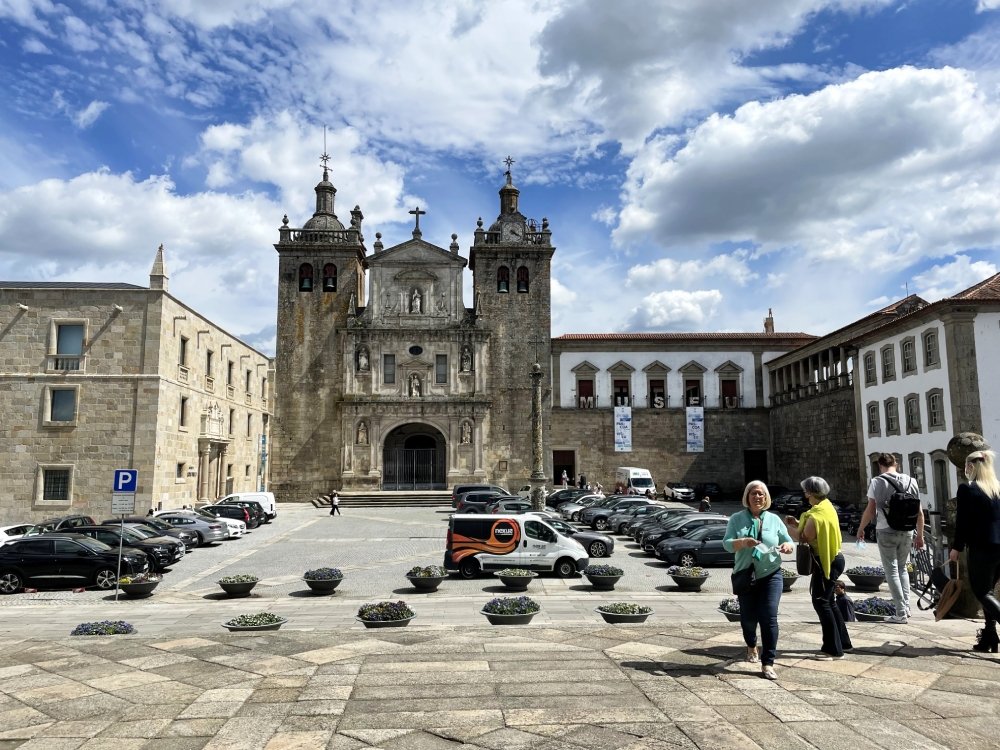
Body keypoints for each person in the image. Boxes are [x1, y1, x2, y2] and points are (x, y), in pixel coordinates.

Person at [723, 481, 795, 680]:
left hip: (771, 574)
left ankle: (768, 663)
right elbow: (727, 545)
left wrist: (788, 546)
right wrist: (743, 542)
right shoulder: (737, 519)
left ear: (766, 498)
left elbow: (787, 540)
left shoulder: (773, 519)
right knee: (748, 619)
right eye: (754, 493)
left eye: (761, 494)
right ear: (747, 497)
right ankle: (751, 645)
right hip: (746, 575)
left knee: (769, 616)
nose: (757, 497)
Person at [785, 476, 853, 659]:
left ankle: (833, 649)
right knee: (829, 601)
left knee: (821, 602)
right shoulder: (827, 507)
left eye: (805, 491)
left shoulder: (815, 516)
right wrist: (797, 524)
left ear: (810, 492)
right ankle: (844, 643)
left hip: (826, 562)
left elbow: (804, 538)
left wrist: (786, 528)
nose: (804, 494)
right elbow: (813, 531)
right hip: (835, 558)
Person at [856, 453, 924, 623]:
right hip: (907, 531)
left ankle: (900, 613)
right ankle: (906, 607)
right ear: (896, 464)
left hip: (886, 530)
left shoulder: (877, 482)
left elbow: (871, 510)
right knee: (902, 568)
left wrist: (861, 528)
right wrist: (920, 535)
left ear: (880, 466)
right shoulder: (911, 481)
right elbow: (920, 512)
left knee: (891, 570)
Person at [948, 450, 1000, 653]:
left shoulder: (968, 489)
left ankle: (991, 633)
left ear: (970, 467)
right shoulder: (997, 488)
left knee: (982, 591)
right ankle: (990, 636)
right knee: (989, 590)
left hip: (982, 547)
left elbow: (963, 523)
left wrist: (956, 547)